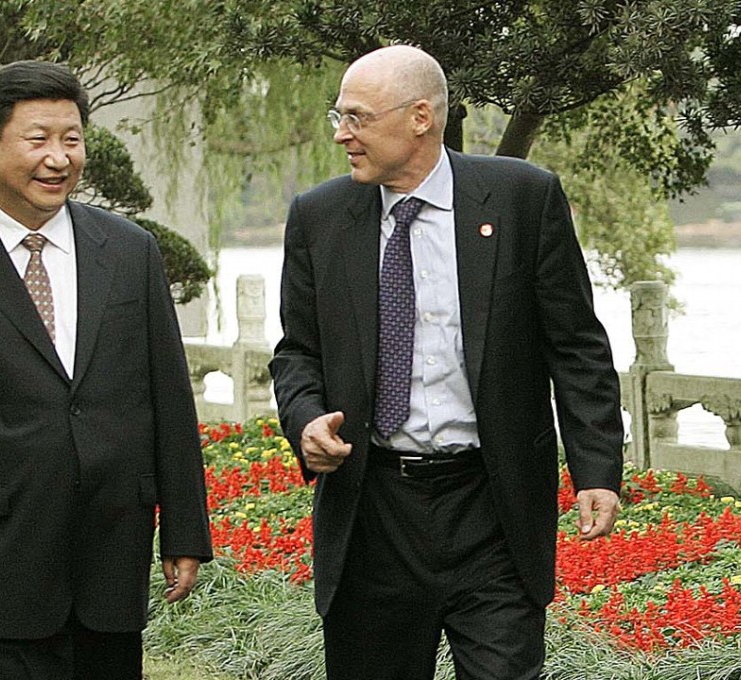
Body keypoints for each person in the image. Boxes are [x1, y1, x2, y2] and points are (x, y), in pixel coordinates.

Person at [269, 45, 624, 680]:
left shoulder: (521, 198)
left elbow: (576, 347)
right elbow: (298, 352)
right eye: (338, 116)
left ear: (420, 117)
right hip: (373, 509)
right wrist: (307, 420)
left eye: (357, 117)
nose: (341, 134)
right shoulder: (319, 216)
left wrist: (596, 470)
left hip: (493, 505)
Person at [0, 60, 212, 680]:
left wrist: (186, 531)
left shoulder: (130, 250)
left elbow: (169, 396)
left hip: (112, 551)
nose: (59, 158)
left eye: (72, 139)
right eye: (38, 140)